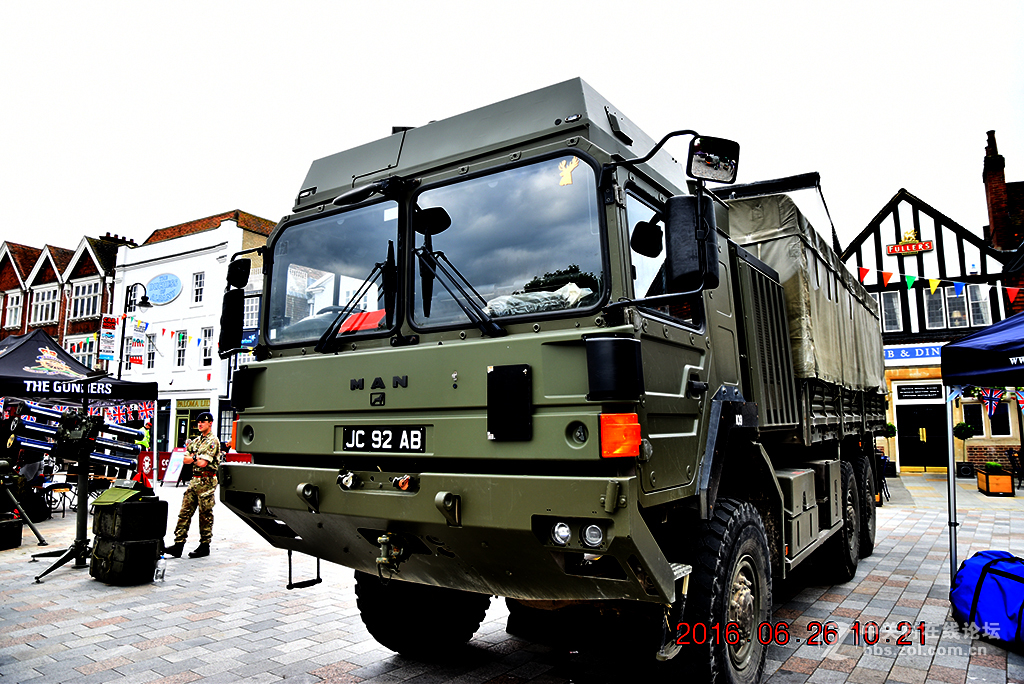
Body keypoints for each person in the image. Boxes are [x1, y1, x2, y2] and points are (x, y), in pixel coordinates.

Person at [164, 412, 221, 558]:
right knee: (184, 513)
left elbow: (203, 463)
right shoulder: (196, 441)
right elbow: (184, 459)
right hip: (194, 481)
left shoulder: (213, 441)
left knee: (205, 515)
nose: (200, 424)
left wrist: (193, 457)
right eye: (198, 422)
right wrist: (195, 457)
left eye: (203, 422)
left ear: (210, 423)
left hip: (206, 482)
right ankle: (178, 544)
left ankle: (204, 545)